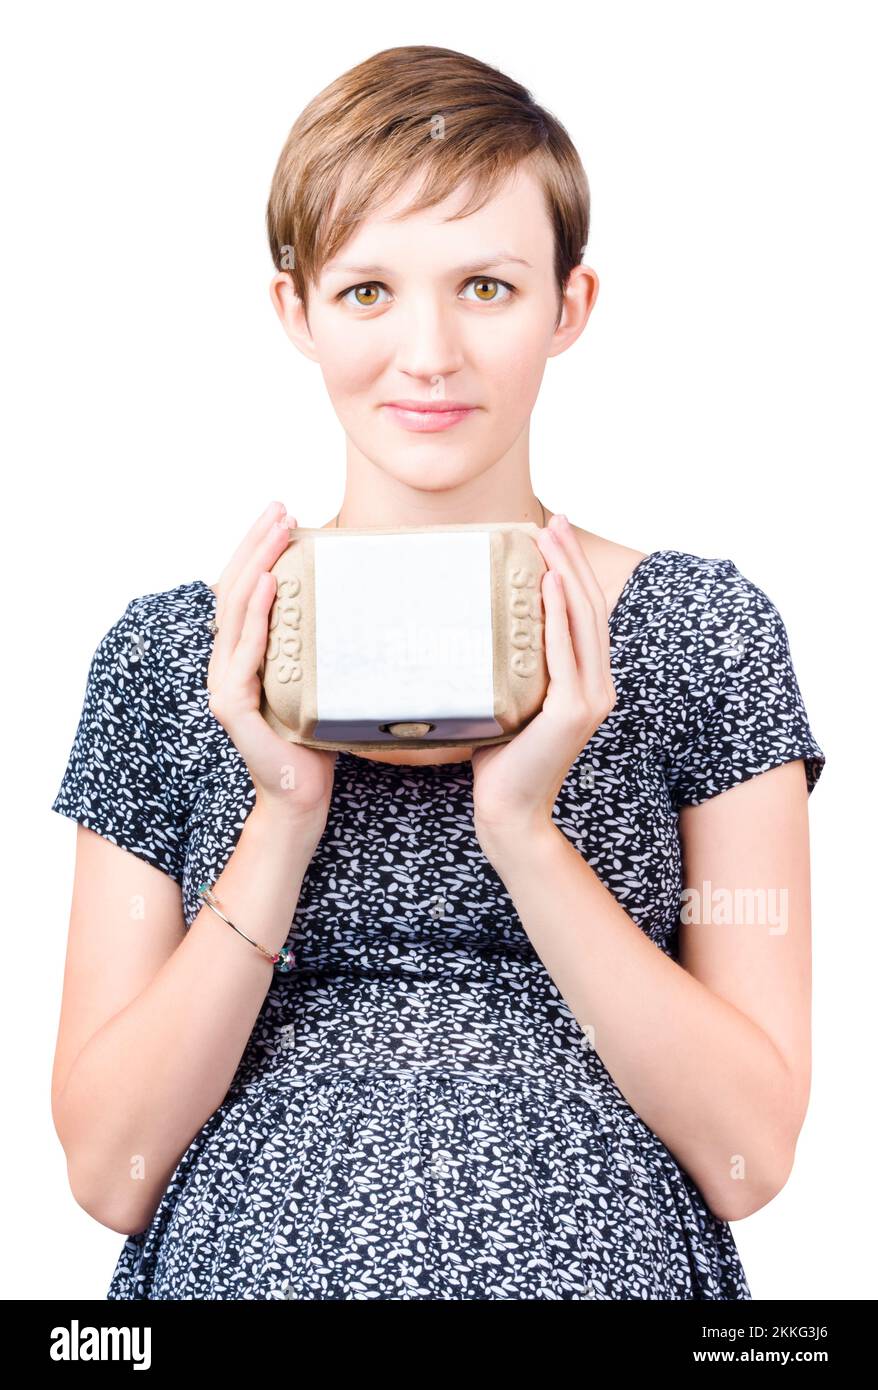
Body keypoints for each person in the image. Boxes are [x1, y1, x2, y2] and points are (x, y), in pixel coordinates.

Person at [50, 44, 826, 1301]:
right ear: (293, 308)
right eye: (366, 291)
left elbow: (749, 1154)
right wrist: (284, 810)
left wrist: (524, 829)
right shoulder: (172, 657)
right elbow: (107, 1170)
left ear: (567, 306)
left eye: (485, 284)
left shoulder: (698, 634)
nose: (428, 353)